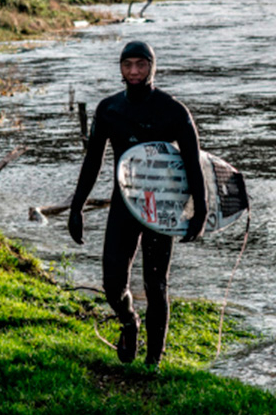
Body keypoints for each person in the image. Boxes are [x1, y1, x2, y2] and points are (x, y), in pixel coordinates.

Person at [68, 40, 206, 366]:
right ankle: (130, 322)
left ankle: (153, 364)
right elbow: (93, 162)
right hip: (124, 204)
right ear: (120, 67)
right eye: (127, 64)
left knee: (156, 284)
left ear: (151, 67)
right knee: (112, 282)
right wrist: (76, 206)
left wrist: (199, 210)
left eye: (140, 65)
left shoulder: (173, 111)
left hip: (162, 207)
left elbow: (192, 164)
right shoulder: (109, 110)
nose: (133, 71)